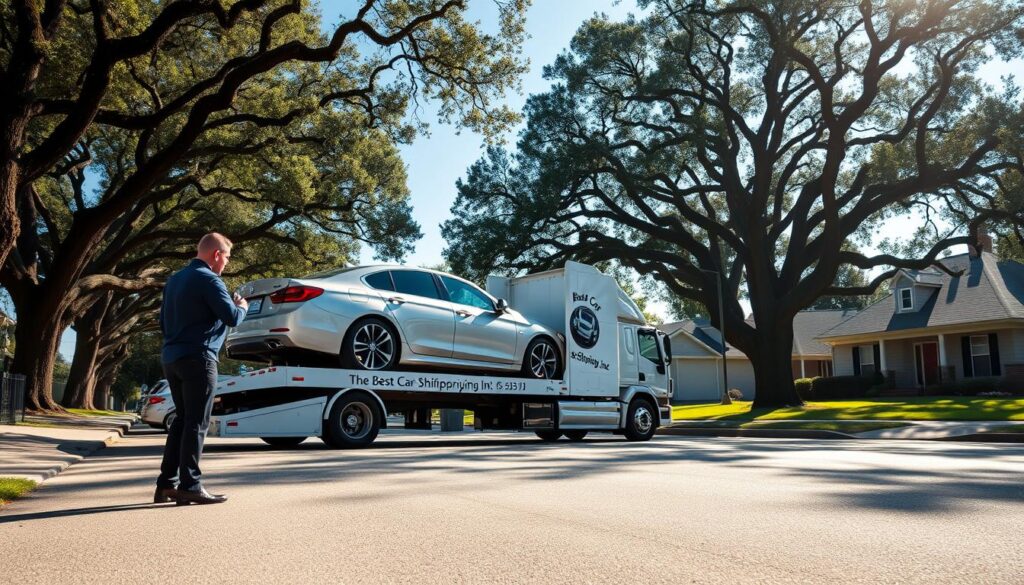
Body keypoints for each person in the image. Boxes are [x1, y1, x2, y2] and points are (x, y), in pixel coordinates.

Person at [154, 233, 247, 505]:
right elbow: (231, 316)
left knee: (182, 421)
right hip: (199, 358)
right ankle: (190, 486)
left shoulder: (174, 280)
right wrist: (241, 306)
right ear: (216, 254)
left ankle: (165, 486)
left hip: (172, 358)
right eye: (227, 257)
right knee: (196, 423)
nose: (226, 263)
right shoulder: (209, 279)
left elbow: (163, 322)